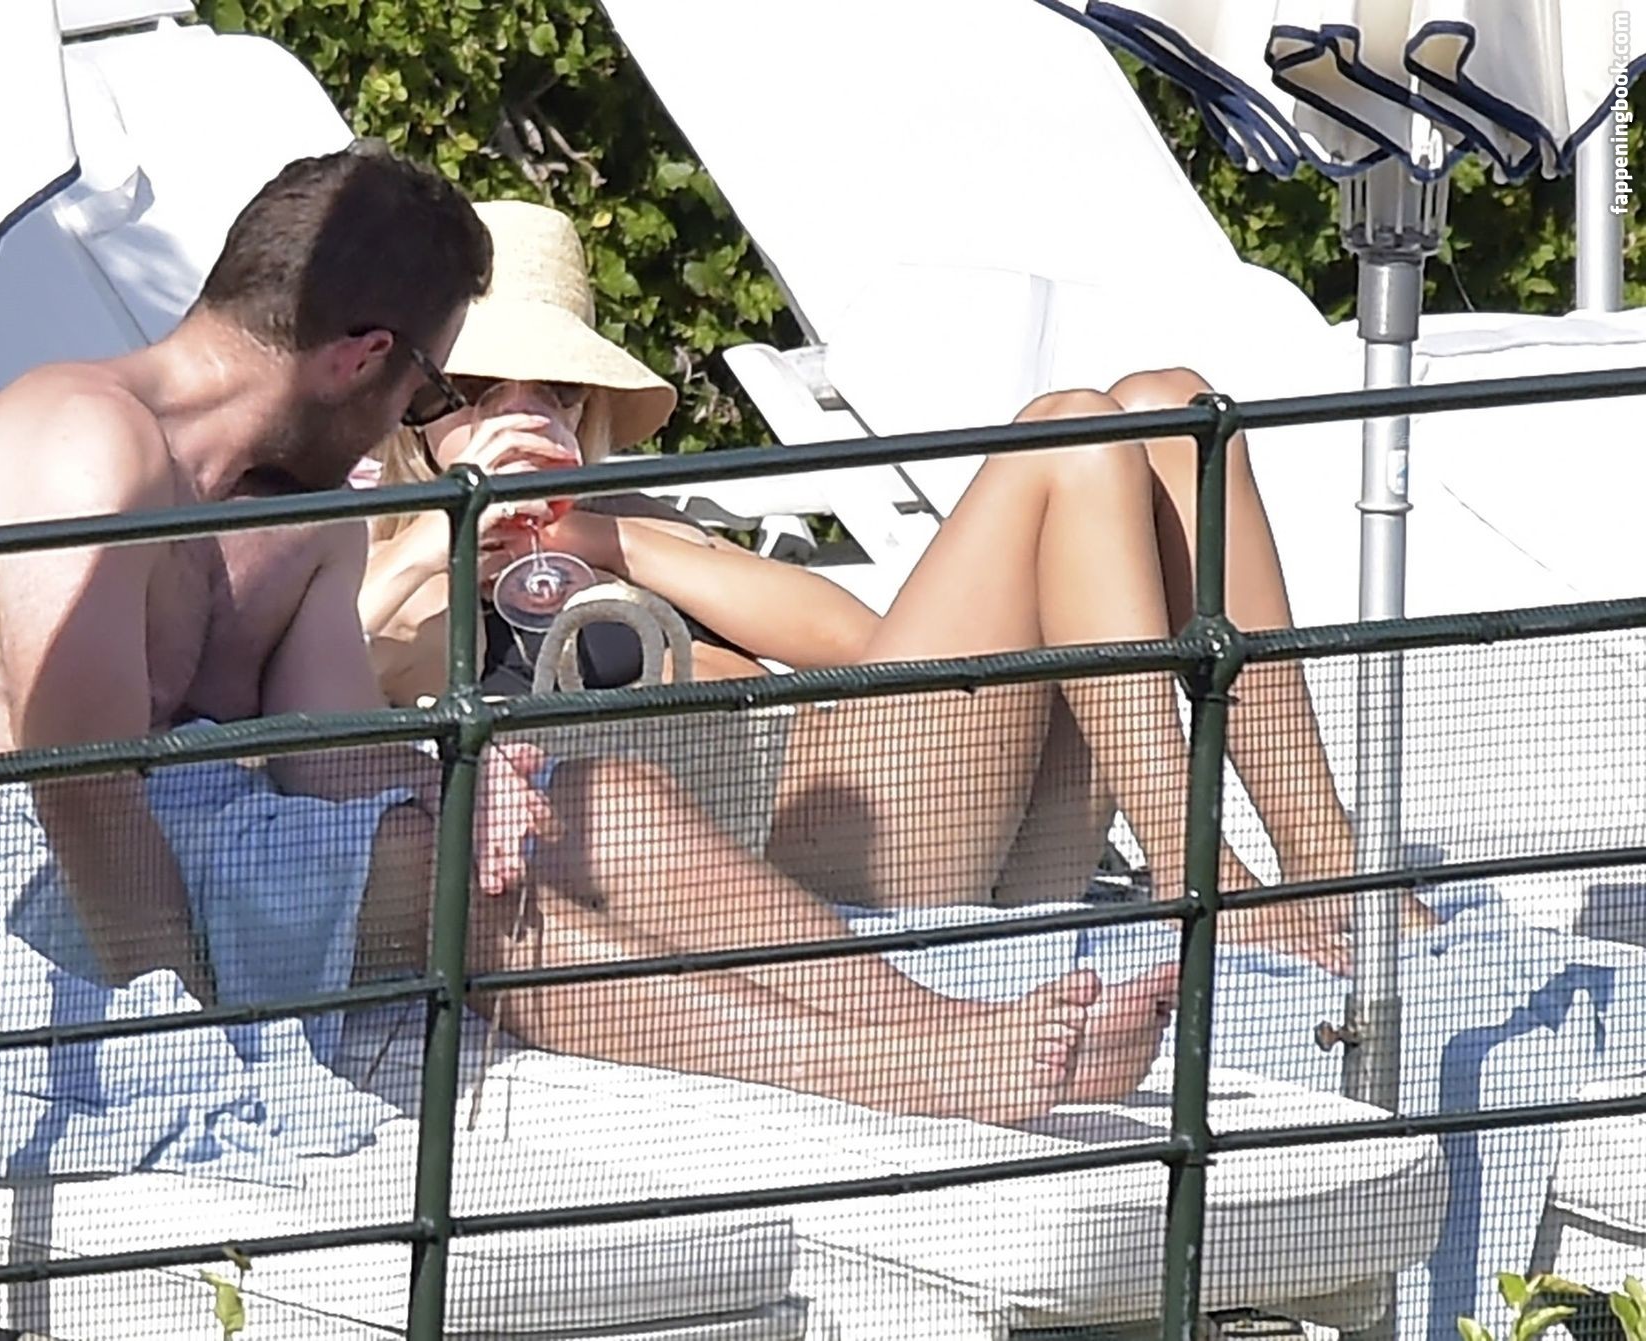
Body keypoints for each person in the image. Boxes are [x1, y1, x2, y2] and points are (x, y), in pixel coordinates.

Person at [0, 148, 1170, 1128]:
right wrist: (180, 1039)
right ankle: (915, 1075)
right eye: (431, 385)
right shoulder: (82, 442)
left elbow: (332, 762)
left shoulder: (305, 516)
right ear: (365, 358)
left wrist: (460, 785)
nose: (415, 420)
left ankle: (946, 1022)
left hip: (201, 832)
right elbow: (82, 787)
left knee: (594, 797)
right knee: (454, 881)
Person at [358, 200, 1435, 975]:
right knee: (1069, 432)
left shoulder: (636, 528)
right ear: (414, 410)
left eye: (556, 388)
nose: (523, 413)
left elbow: (858, 644)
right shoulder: (387, 563)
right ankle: (1197, 870)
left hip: (927, 808)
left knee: (1173, 410)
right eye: (476, 391)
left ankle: (1324, 851)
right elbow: (350, 687)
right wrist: (454, 537)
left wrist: (600, 534)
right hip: (797, 866)